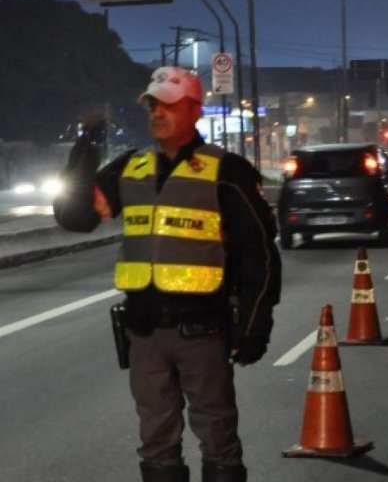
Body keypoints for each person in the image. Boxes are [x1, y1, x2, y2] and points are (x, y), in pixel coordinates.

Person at [53, 66, 282, 482]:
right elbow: (75, 215)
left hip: (204, 333)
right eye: (152, 104)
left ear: (194, 110)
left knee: (218, 437)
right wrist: (87, 147)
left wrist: (254, 324)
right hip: (144, 334)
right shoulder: (131, 169)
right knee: (156, 443)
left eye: (169, 105)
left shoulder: (226, 172)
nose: (157, 113)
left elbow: (259, 255)